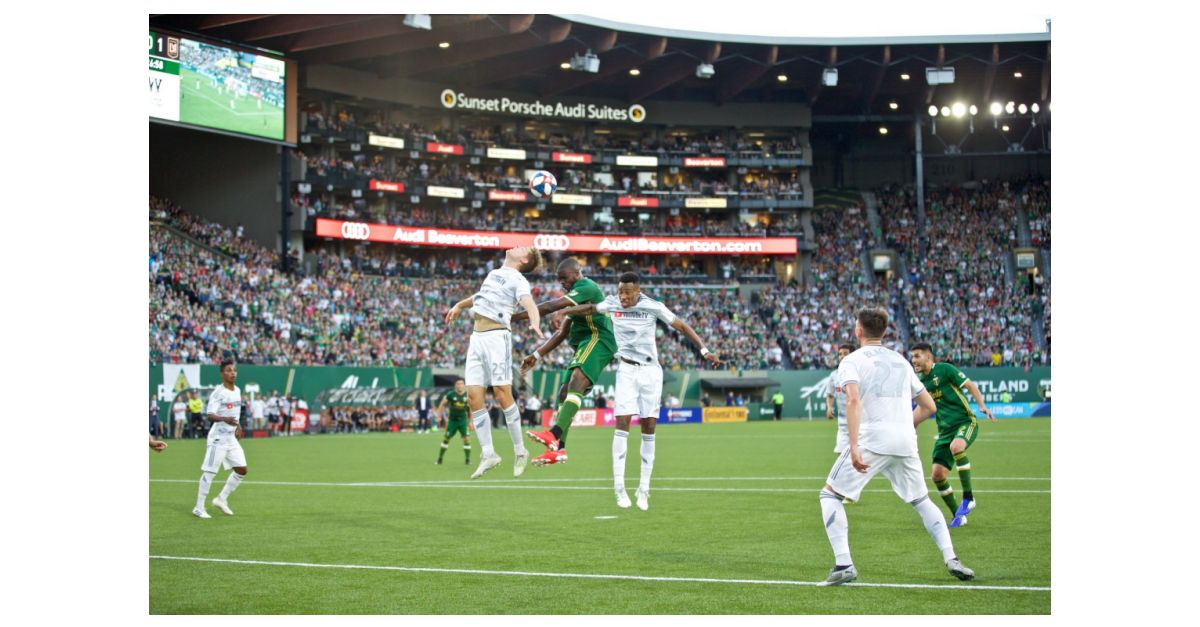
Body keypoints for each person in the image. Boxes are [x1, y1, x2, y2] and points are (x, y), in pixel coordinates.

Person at [535, 271, 720, 510]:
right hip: (627, 371)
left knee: (649, 428)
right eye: (620, 291)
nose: (622, 296)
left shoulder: (653, 306)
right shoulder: (612, 302)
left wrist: (705, 351)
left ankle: (644, 489)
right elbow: (591, 309)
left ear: (638, 292)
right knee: (621, 424)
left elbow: (681, 326)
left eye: (627, 292)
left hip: (651, 371)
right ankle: (619, 488)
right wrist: (567, 311)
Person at [817, 308, 974, 586]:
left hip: (872, 438)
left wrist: (853, 445)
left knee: (829, 496)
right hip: (904, 441)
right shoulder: (901, 361)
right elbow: (929, 406)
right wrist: (904, 426)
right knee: (921, 500)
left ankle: (844, 564)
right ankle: (951, 557)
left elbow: (853, 401)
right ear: (884, 332)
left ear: (858, 331)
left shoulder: (851, 361)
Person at [444, 245, 544, 479]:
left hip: (497, 337)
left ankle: (520, 451)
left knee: (501, 394)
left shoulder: (518, 279)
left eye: (522, 248)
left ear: (523, 260)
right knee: (473, 398)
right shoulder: (494, 273)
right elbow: (479, 297)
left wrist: (534, 322)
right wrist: (459, 305)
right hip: (476, 338)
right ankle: (489, 453)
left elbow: (529, 303)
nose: (516, 246)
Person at [515, 257, 619, 467]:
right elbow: (562, 333)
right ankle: (558, 449)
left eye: (564, 278)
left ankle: (553, 434)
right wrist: (536, 355)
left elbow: (552, 306)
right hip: (585, 344)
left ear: (576, 273)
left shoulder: (586, 287)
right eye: (559, 280)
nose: (562, 282)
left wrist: (511, 317)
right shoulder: (575, 295)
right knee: (564, 392)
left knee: (577, 381)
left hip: (599, 338)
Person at [910, 342, 998, 527]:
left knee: (956, 447)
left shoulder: (944, 369)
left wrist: (982, 406)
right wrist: (911, 426)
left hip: (965, 422)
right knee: (937, 475)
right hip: (945, 432)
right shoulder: (919, 382)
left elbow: (970, 385)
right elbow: (922, 408)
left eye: (917, 356)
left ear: (928, 356)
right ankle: (958, 515)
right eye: (913, 356)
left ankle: (969, 497)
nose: (914, 360)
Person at [193, 360, 249, 519]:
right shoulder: (219, 392)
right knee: (209, 472)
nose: (233, 373)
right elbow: (210, 415)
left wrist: (238, 427)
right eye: (229, 370)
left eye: (234, 370)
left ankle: (221, 499)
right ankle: (198, 507)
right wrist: (225, 419)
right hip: (217, 439)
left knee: (242, 469)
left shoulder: (237, 390)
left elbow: (235, 414)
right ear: (222, 374)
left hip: (231, 438)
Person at [824, 344, 855, 451]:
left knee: (861, 458)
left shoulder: (860, 372)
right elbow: (830, 394)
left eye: (845, 353)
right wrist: (829, 407)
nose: (842, 356)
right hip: (842, 422)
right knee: (840, 453)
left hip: (860, 421)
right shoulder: (834, 375)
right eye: (840, 354)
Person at [436, 379, 472, 465]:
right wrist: (439, 416)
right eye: (458, 384)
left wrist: (470, 422)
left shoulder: (467, 395)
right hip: (452, 421)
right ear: (455, 386)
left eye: (461, 384)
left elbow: (470, 409)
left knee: (466, 439)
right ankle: (440, 458)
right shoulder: (450, 394)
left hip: (463, 420)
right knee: (446, 439)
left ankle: (467, 460)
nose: (460, 385)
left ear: (464, 385)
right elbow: (442, 404)